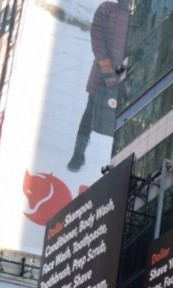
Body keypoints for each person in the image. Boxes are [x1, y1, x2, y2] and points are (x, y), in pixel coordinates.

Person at [67, 0, 129, 172]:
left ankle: (120, 160)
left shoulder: (137, 17)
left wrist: (119, 73)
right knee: (90, 112)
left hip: (122, 77)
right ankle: (78, 153)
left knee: (122, 117)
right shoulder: (107, 9)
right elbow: (97, 38)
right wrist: (107, 69)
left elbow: (135, 49)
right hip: (101, 72)